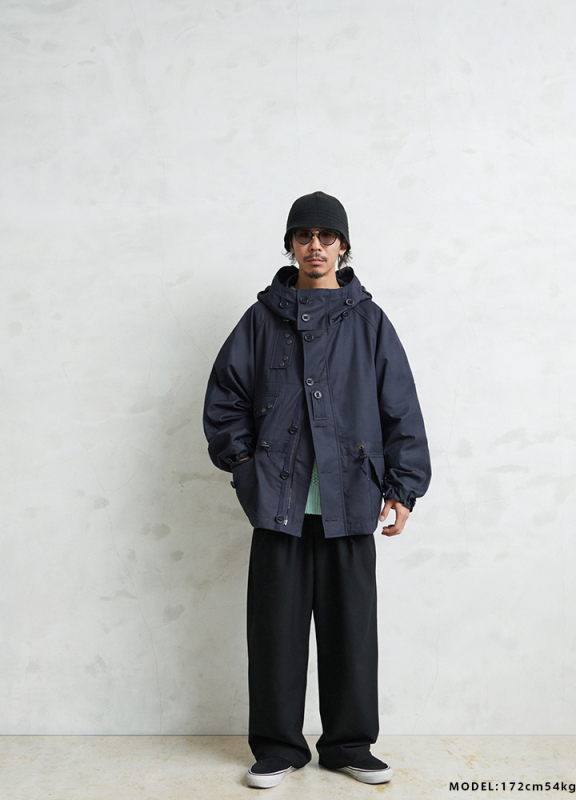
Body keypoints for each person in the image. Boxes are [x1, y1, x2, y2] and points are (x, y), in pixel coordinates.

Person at [203, 190, 431, 789]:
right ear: (290, 245)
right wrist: (245, 464)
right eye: (304, 236)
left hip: (350, 499)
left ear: (343, 247)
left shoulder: (369, 321)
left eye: (327, 237)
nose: (315, 246)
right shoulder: (261, 320)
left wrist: (402, 488)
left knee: (351, 632)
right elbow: (225, 398)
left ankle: (350, 745)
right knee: (274, 633)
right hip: (277, 503)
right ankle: (278, 747)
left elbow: (400, 408)